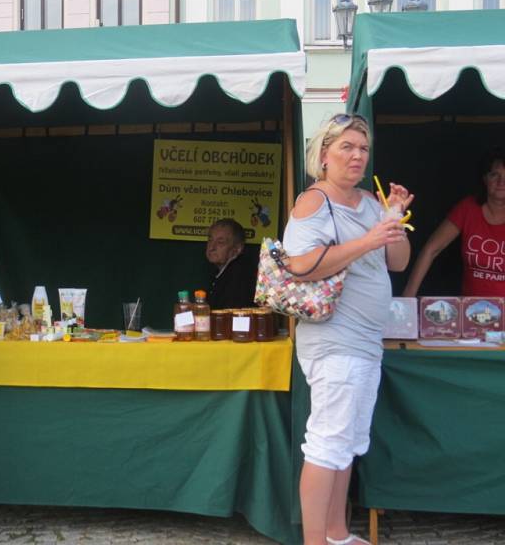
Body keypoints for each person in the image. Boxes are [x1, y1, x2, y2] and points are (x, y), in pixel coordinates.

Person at [282, 113, 412, 545]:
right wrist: (368, 240)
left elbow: (399, 262)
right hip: (333, 341)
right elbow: (299, 265)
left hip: (365, 343)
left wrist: (391, 219)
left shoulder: (370, 202)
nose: (357, 155)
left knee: (347, 443)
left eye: (363, 148)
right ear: (324, 154)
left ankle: (337, 534)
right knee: (326, 445)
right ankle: (316, 541)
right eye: (347, 147)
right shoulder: (314, 201)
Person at [403, 147, 505, 297]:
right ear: (485, 179)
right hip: (471, 310)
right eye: (494, 175)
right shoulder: (469, 208)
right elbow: (431, 249)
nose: (501, 181)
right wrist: (408, 297)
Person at [206, 218, 256, 309]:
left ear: (237, 249)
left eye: (220, 242)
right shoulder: (220, 271)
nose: (212, 247)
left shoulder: (241, 276)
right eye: (210, 240)